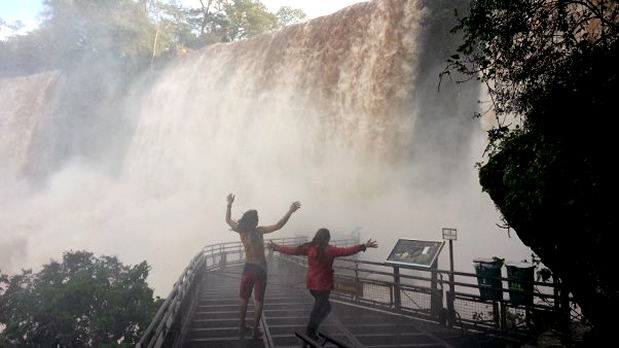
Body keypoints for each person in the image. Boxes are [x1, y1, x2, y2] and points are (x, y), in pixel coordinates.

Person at [268, 228, 378, 343]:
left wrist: (276, 247)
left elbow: (292, 250)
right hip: (324, 286)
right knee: (320, 309)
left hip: (312, 286)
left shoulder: (309, 248)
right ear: (327, 238)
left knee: (323, 307)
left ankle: (312, 331)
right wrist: (363, 246)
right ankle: (310, 332)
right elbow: (346, 251)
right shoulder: (330, 250)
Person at [226, 193, 301, 338]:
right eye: (257, 219)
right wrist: (290, 211)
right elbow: (278, 226)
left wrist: (229, 204)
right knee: (258, 301)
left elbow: (228, 219)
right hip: (260, 269)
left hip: (247, 268)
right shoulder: (258, 231)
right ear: (254, 221)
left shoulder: (241, 230)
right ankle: (254, 330)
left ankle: (241, 325)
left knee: (244, 298)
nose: (258, 221)